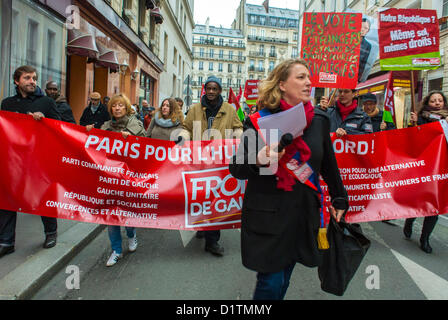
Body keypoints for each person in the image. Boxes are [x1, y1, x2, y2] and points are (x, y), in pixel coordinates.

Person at [229, 59, 348, 300]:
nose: (309, 82)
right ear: (282, 84)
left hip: (304, 213)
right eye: (301, 77)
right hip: (268, 214)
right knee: (271, 282)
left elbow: (328, 165)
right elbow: (237, 167)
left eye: (309, 78)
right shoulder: (257, 121)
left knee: (284, 277)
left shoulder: (320, 121)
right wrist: (259, 159)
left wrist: (339, 197)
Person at [0, 65, 61, 257]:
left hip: (38, 160)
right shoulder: (7, 104)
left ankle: (51, 233)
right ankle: (6, 241)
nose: (32, 81)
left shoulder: (46, 103)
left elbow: (60, 129)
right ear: (17, 81)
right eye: (27, 78)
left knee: (43, 196)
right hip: (14, 160)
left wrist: (44, 121)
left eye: (34, 78)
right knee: (7, 199)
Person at [179, 75, 243, 257]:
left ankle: (212, 241)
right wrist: (182, 138)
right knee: (199, 197)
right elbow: (187, 128)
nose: (211, 92)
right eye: (209, 88)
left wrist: (238, 137)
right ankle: (201, 226)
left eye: (215, 89)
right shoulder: (194, 109)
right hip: (198, 161)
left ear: (220, 90)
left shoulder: (230, 109)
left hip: (219, 163)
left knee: (215, 200)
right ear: (204, 90)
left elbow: (237, 127)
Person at [94, 93, 145, 266]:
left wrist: (131, 139)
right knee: (111, 216)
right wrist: (87, 132)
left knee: (128, 214)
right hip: (109, 179)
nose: (117, 108)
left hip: (129, 179)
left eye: (120, 105)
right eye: (114, 106)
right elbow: (94, 147)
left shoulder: (136, 125)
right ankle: (116, 250)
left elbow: (146, 148)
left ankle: (131, 235)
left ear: (126, 108)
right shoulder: (105, 126)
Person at [404, 91, 448, 253]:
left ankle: (425, 238)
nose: (437, 103)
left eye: (440, 100)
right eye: (434, 100)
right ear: (428, 102)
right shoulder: (421, 117)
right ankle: (410, 220)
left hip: (442, 167)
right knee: (419, 199)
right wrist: (413, 124)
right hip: (423, 166)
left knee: (435, 204)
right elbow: (411, 139)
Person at [359, 18, 372, 83]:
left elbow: (363, 64)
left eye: (365, 28)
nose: (363, 30)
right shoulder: (349, 42)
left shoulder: (368, 45)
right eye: (361, 27)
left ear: (368, 30)